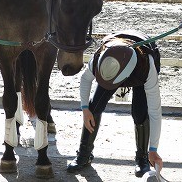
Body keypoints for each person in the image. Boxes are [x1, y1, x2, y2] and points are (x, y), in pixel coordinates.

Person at [67, 30, 163, 178]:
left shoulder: (147, 68)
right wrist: (85, 108)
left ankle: (142, 158)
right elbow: (85, 79)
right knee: (95, 107)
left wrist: (153, 149)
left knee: (140, 112)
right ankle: (84, 154)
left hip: (139, 67)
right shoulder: (100, 56)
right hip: (115, 63)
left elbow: (155, 111)